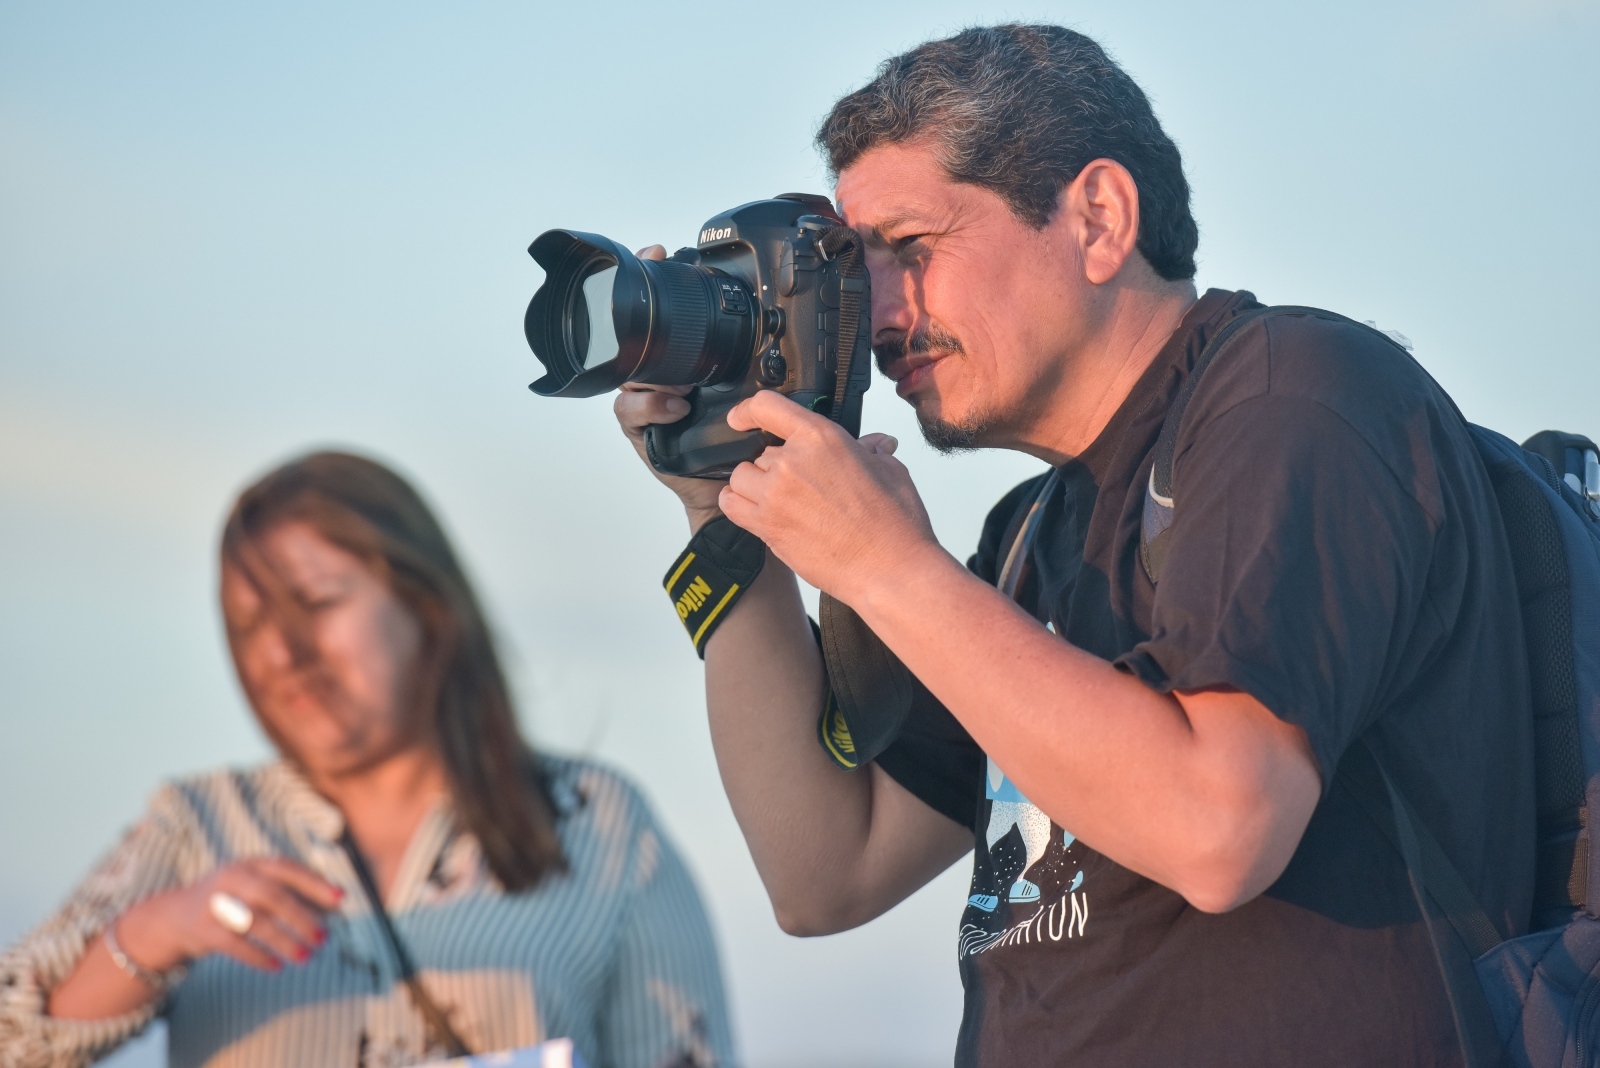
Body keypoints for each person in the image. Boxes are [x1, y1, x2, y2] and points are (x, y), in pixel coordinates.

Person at [614, 23, 1534, 1067]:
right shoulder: (1029, 537)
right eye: (858, 270)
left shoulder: (1295, 397)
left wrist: (882, 566)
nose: (878, 314)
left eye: (909, 250)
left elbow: (1220, 827)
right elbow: (824, 867)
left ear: (1098, 217)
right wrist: (715, 507)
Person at [0, 451, 735, 1068]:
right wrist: (162, 931)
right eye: (250, 625)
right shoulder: (197, 825)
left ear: (426, 606)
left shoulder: (600, 822)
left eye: (315, 604)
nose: (281, 654)